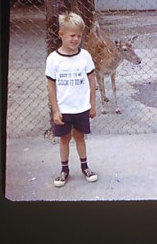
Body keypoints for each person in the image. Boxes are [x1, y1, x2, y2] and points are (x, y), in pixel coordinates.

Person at [45, 11, 98, 187]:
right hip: (64, 109)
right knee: (64, 138)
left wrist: (92, 105)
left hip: (81, 107)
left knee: (80, 137)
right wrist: (55, 110)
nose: (76, 39)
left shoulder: (85, 57)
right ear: (62, 34)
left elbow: (91, 80)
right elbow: (51, 85)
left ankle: (85, 166)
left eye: (79, 36)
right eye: (72, 35)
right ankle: (64, 170)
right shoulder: (53, 59)